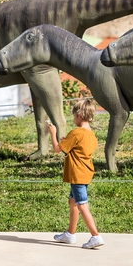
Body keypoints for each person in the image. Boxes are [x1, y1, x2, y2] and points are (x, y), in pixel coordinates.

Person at [46, 98, 103, 249]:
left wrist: (53, 133)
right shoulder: (91, 134)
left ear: (79, 115)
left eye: (74, 115)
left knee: (82, 205)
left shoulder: (76, 133)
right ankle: (70, 234)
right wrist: (67, 141)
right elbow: (77, 149)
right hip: (85, 173)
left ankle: (95, 236)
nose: (73, 119)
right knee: (73, 203)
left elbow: (58, 149)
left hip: (76, 175)